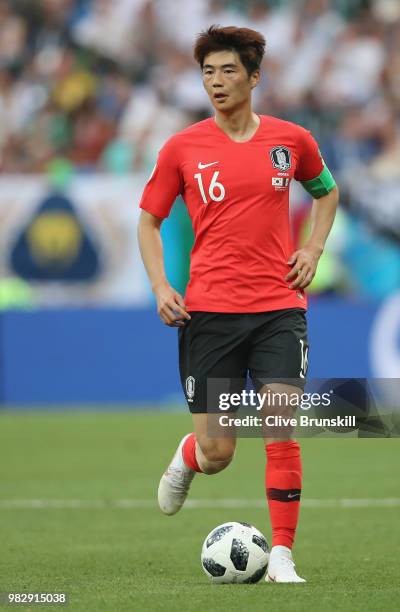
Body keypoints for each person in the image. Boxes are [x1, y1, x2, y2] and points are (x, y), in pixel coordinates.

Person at [137, 25, 338, 583]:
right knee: (220, 450)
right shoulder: (182, 147)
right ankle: (189, 456)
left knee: (280, 424)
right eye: (207, 72)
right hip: (210, 314)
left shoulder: (291, 141)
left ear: (254, 77)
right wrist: (160, 285)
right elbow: (149, 222)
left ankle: (282, 555)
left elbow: (327, 191)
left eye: (228, 71)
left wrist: (313, 247)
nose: (217, 81)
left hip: (279, 307)